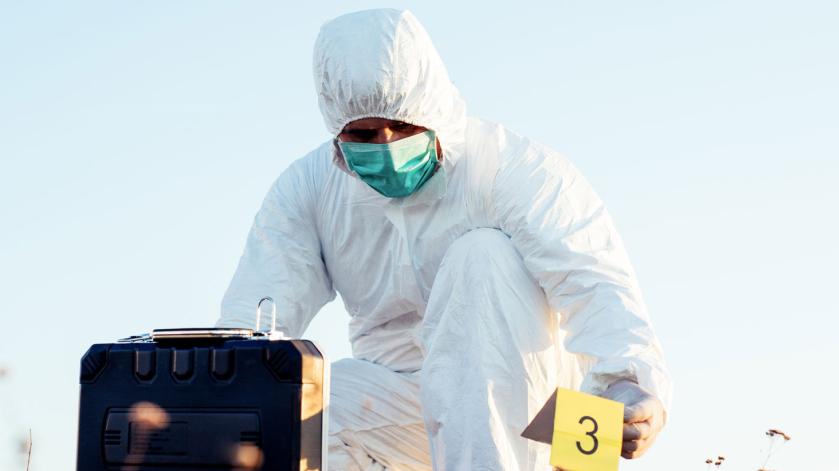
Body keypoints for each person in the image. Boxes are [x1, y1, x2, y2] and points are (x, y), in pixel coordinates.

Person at [217, 8, 671, 471]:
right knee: (285, 414)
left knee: (481, 256)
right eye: (365, 135)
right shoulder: (310, 189)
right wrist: (214, 394)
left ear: (432, 110)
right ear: (337, 130)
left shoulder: (509, 170)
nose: (387, 146)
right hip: (401, 405)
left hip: (544, 419)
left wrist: (628, 380)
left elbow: (592, 282)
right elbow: (255, 321)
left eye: (403, 126)